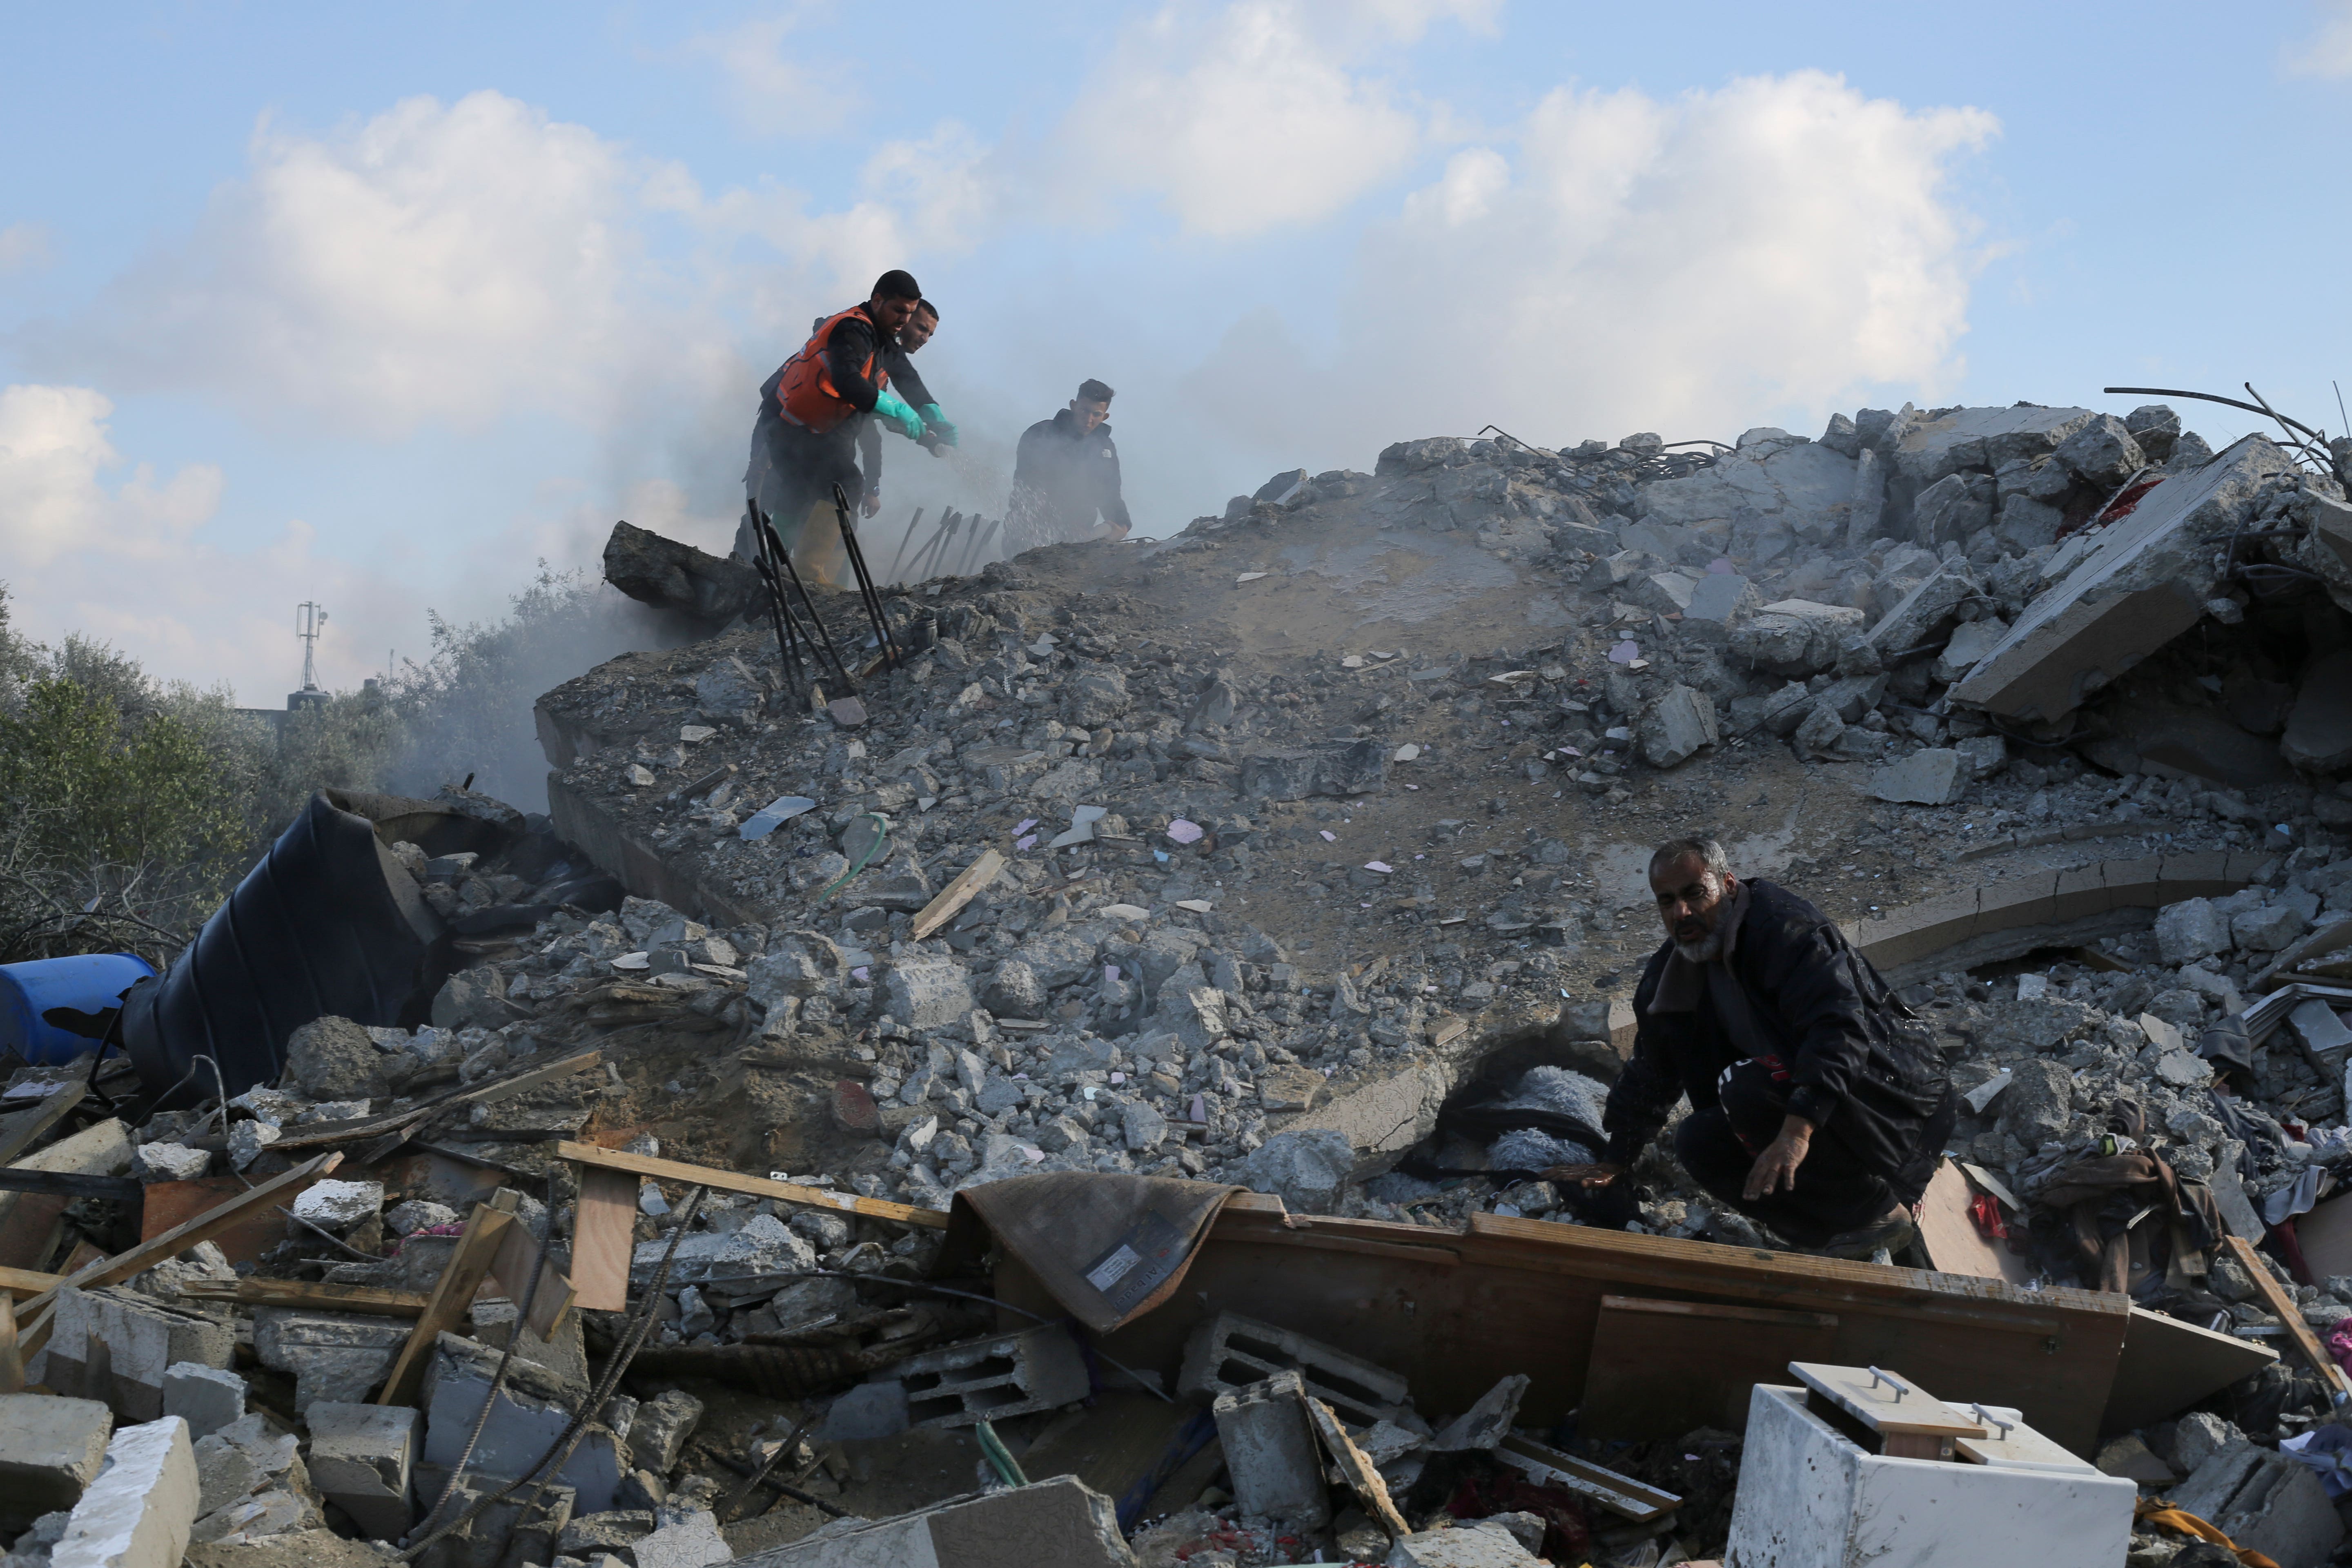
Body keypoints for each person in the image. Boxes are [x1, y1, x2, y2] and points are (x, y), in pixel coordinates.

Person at [1558, 837, 1955, 1258]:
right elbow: (1654, 1070)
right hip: (1819, 1124)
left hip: (1895, 1111)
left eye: (1695, 894)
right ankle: (1827, 1240)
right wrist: (1615, 1159)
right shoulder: (1669, 983)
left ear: (1728, 885)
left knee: (1744, 1085)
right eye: (1667, 901)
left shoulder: (1787, 932)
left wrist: (1796, 1132)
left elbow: (1837, 1029)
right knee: (1697, 1140)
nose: (1682, 913)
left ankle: (1876, 1215)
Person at [737, 270, 930, 584]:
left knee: (802, 494)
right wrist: (760, 459)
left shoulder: (875, 362)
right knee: (777, 502)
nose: (917, 333)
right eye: (917, 325)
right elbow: (774, 408)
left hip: (808, 440)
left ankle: (776, 569)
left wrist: (913, 428)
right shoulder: (839, 349)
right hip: (787, 441)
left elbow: (870, 428)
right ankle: (772, 570)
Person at [1004, 379, 1132, 553]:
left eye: (1096, 414)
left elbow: (1110, 493)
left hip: (1077, 544)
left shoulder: (1105, 448)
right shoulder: (1040, 435)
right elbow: (1028, 489)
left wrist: (1121, 523)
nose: (1089, 420)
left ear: (1105, 417)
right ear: (1073, 405)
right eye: (1084, 411)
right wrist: (1065, 527)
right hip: (1027, 538)